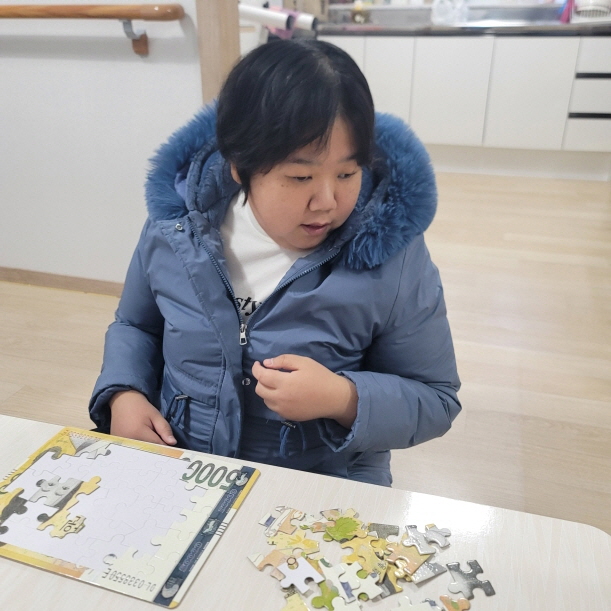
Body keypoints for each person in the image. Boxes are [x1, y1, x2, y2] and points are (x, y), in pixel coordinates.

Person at [89, 39, 461, 487]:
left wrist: (343, 398)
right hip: (185, 470)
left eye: (347, 173)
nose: (327, 201)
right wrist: (124, 394)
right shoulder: (177, 225)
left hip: (317, 487)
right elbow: (136, 326)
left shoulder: (392, 254)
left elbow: (436, 398)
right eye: (300, 176)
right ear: (239, 166)